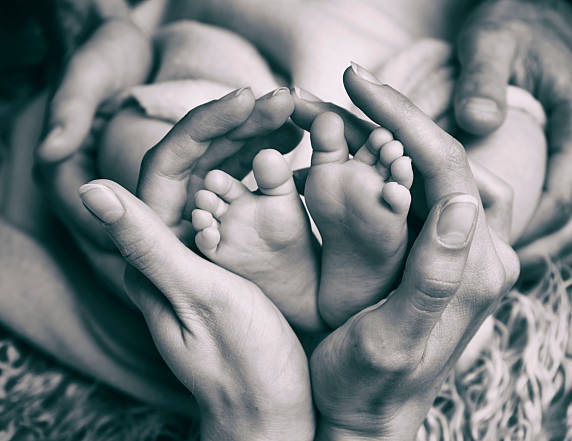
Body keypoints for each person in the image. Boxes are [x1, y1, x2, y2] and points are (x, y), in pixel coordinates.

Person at [78, 68, 518, 441]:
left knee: (136, 138)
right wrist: (361, 427)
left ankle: (308, 296)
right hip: (416, 93)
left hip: (218, 72)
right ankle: (364, 294)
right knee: (504, 153)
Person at [39, 0, 572, 271]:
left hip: (445, 41)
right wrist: (107, 23)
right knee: (149, 137)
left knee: (502, 123)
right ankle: (267, 258)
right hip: (213, 43)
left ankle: (420, 249)